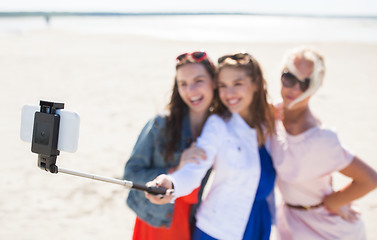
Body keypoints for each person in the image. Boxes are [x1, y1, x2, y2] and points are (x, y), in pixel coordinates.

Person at [146, 53, 276, 240]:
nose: (229, 94)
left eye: (237, 84)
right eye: (222, 86)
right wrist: (171, 183)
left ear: (255, 83)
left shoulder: (270, 124)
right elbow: (194, 169)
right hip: (217, 230)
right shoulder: (218, 124)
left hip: (258, 225)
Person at [270, 46, 377, 240]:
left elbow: (370, 179)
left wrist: (334, 202)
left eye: (305, 83)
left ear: (315, 87)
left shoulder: (320, 138)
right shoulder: (274, 118)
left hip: (328, 230)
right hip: (289, 222)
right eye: (289, 77)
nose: (294, 89)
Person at [123, 51, 216, 240]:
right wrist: (175, 169)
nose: (191, 90)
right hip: (156, 221)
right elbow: (131, 173)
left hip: (193, 222)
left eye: (198, 80)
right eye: (183, 84)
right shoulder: (161, 124)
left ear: (214, 82)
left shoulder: (219, 127)